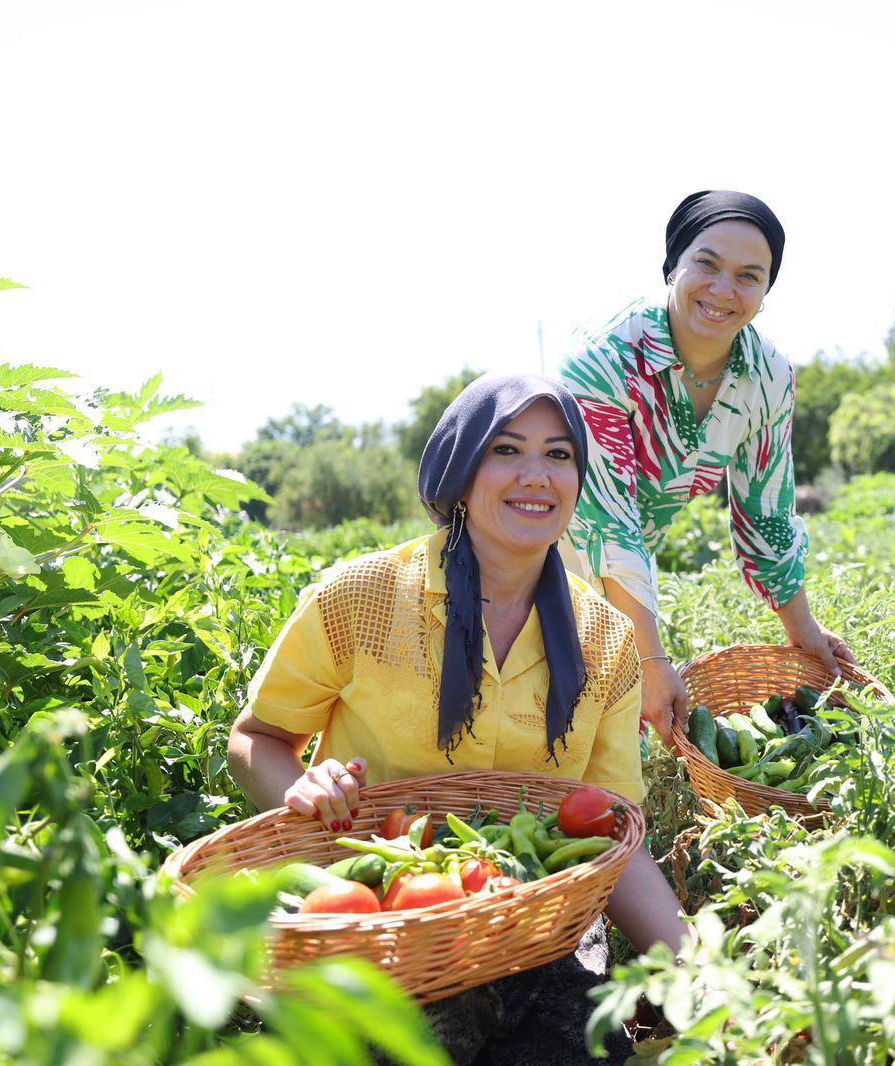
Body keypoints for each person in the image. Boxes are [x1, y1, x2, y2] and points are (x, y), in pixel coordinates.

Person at [226, 373, 686, 1065]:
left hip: (527, 926)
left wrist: (705, 972)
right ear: (460, 470)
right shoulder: (364, 597)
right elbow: (255, 739)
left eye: (559, 455)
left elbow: (612, 835)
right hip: (378, 915)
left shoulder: (606, 640)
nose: (536, 476)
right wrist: (303, 786)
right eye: (507, 450)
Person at [559, 190, 858, 745]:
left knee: (614, 735)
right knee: (550, 722)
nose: (723, 290)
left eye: (749, 275)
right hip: (537, 551)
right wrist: (650, 659)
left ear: (766, 292)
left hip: (624, 575)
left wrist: (805, 632)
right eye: (707, 263)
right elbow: (605, 522)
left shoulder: (767, 377)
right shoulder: (605, 359)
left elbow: (765, 514)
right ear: (674, 264)